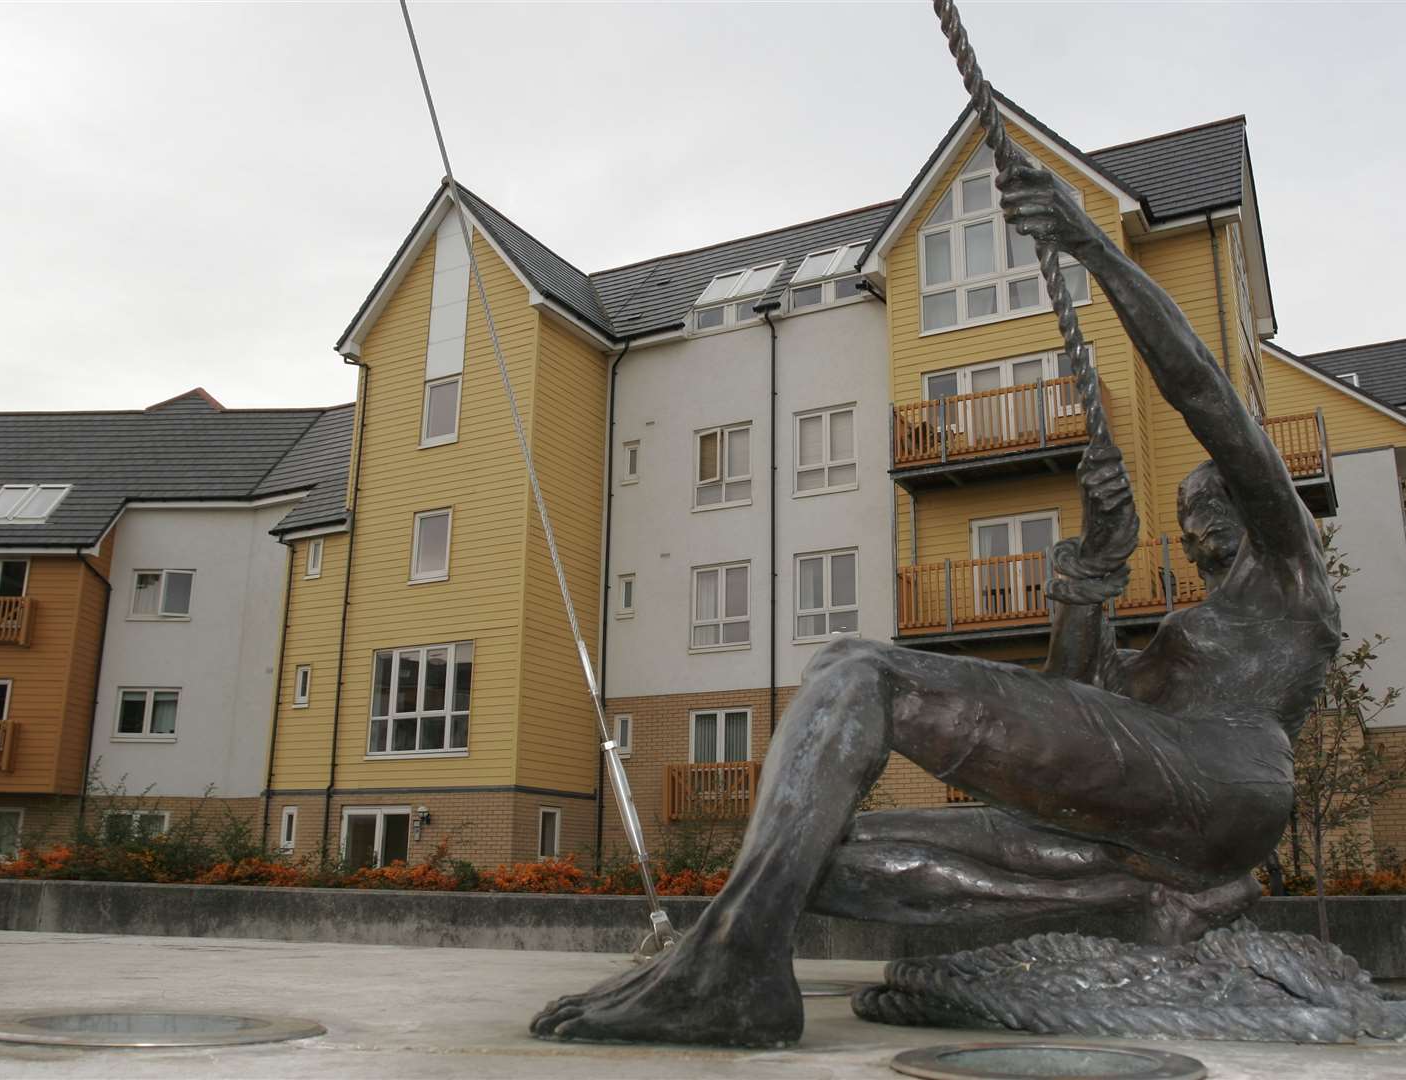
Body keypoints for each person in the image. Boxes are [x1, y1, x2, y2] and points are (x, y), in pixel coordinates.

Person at [530, 152, 1340, 1048]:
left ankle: (730, 965)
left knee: (858, 670)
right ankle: (1150, 901)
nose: (1193, 538)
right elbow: (1081, 703)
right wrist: (1092, 573)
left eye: (1202, 514)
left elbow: (1205, 395)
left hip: (1228, 781)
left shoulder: (1288, 572)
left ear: (1250, 504)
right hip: (1170, 825)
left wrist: (1088, 246)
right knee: (822, 851)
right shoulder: (1194, 633)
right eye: (1186, 525)